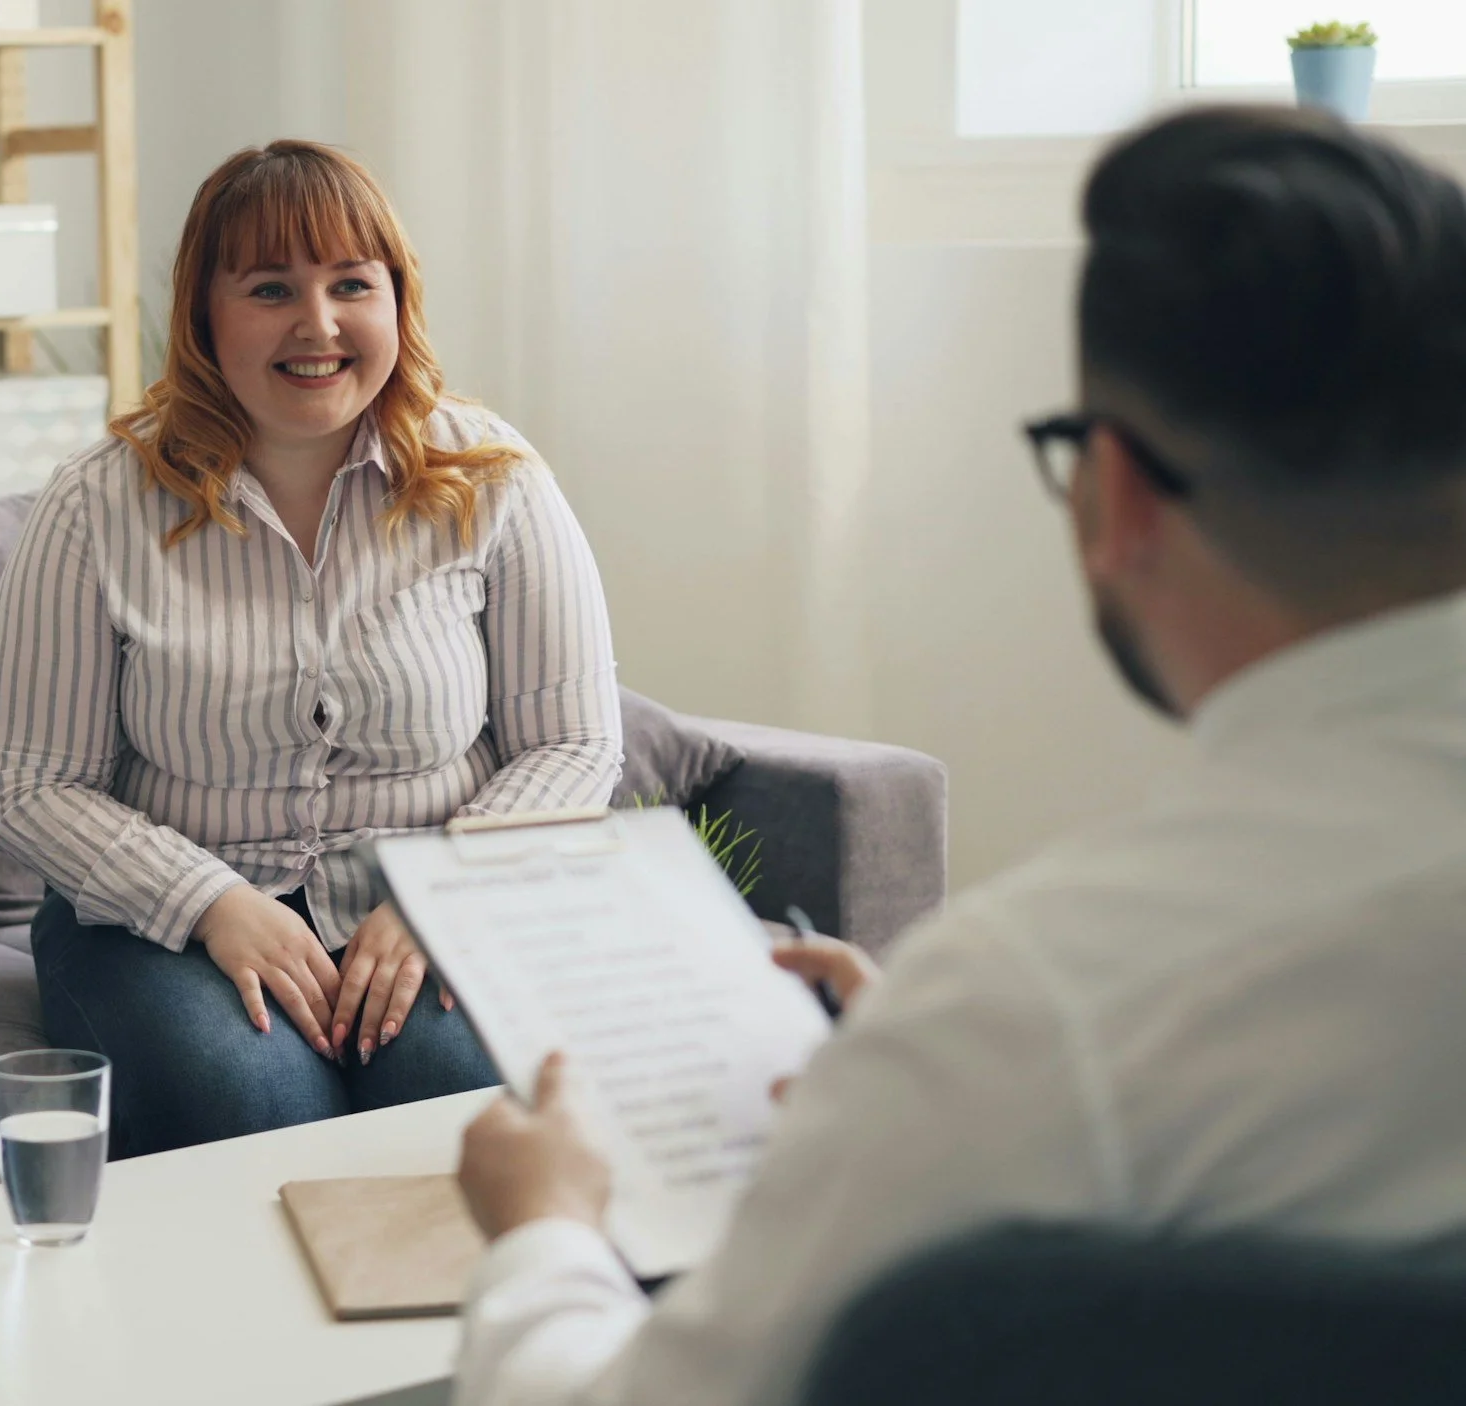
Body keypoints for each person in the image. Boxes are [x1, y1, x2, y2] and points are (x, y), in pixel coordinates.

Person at [451, 105, 1466, 1405]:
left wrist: (545, 1226)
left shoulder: (1031, 1009)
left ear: (1117, 498)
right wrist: (931, 1069)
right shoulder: (1012, 1032)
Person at [0, 141, 624, 1157]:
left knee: (454, 1095)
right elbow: (29, 782)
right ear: (204, 316)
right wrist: (211, 903)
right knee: (252, 1101)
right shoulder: (94, 503)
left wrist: (439, 894)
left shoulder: (493, 477)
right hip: (168, 923)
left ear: (396, 303)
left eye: (350, 285)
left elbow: (575, 745)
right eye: (270, 287)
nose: (316, 324)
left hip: (435, 903)